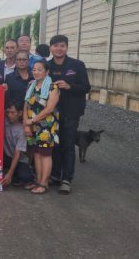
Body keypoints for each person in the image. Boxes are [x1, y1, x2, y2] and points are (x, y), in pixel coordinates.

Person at [48, 34, 91, 195]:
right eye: (56, 46)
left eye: (62, 46)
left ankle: (67, 179)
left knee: (68, 145)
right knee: (55, 145)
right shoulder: (46, 66)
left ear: (66, 47)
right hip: (51, 112)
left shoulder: (77, 65)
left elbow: (86, 87)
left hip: (71, 112)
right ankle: (55, 175)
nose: (59, 49)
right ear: (51, 48)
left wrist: (69, 86)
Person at [23, 60, 60, 195]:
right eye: (34, 69)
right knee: (36, 154)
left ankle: (44, 183)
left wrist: (32, 120)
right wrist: (26, 122)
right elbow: (26, 104)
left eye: (39, 69)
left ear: (47, 72)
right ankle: (38, 180)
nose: (36, 72)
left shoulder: (53, 87)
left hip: (46, 126)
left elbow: (49, 109)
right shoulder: (31, 85)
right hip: (32, 125)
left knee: (45, 155)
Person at [1, 102, 35, 187]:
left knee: (25, 177)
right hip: (7, 157)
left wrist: (10, 174)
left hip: (20, 160)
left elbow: (17, 153)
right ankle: (13, 174)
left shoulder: (22, 130)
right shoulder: (5, 121)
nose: (9, 115)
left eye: (12, 112)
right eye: (8, 112)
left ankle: (21, 173)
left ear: (20, 113)